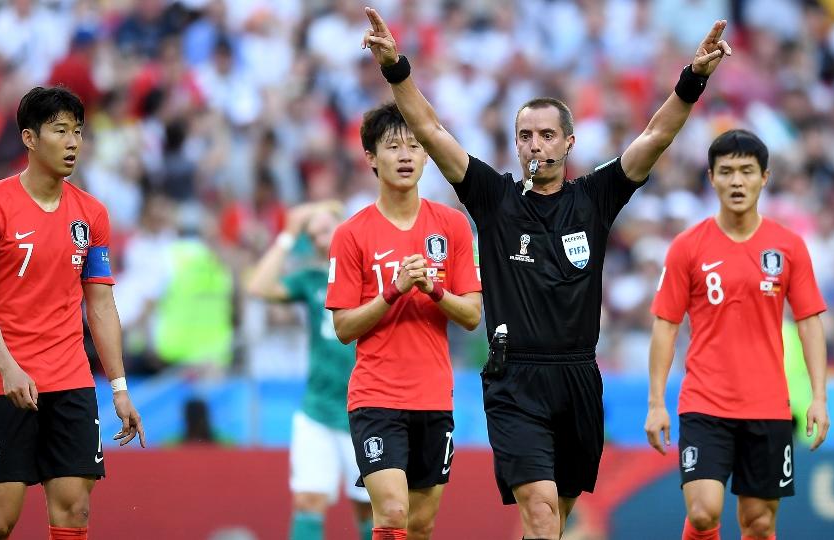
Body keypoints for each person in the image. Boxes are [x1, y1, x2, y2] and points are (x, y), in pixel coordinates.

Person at [362, 7, 731, 539]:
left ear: (568, 143)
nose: (535, 144)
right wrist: (396, 68)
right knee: (536, 509)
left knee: (554, 518)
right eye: (525, 135)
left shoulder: (595, 199)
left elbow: (655, 136)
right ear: (516, 144)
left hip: (578, 377)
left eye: (545, 135)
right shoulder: (494, 199)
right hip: (516, 378)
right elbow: (432, 130)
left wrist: (692, 79)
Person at [0, 86, 145, 540]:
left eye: (78, 132)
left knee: (74, 510)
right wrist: (8, 368)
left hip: (71, 380)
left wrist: (119, 387)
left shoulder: (92, 215)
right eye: (60, 130)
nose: (73, 142)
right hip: (6, 380)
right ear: (29, 138)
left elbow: (100, 305)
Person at [646, 130, 830, 540]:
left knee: (759, 523)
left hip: (768, 406)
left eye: (747, 171)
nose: (737, 181)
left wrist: (819, 396)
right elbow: (665, 325)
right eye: (726, 171)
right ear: (711, 178)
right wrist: (656, 402)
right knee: (703, 512)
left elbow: (809, 322)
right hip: (705, 402)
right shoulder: (687, 247)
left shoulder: (789, 247)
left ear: (765, 177)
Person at [325, 102, 482, 540]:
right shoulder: (351, 234)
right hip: (376, 396)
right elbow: (343, 328)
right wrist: (392, 291)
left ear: (428, 155)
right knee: (392, 513)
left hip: (433, 395)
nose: (407, 155)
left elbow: (471, 315)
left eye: (415, 145)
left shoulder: (451, 226)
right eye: (393, 146)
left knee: (420, 524)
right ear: (372, 157)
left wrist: (434, 289)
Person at [246, 200, 374, 540]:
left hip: (365, 411)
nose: (319, 239)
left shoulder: (373, 272)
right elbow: (258, 286)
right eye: (312, 233)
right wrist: (289, 233)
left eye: (325, 228)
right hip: (317, 410)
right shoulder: (312, 279)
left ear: (344, 226)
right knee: (307, 500)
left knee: (371, 509)